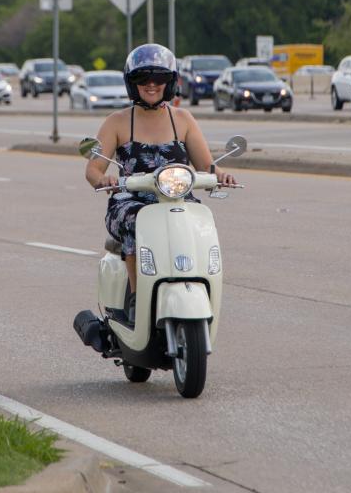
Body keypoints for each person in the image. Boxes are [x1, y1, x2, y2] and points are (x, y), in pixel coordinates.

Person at [84, 44, 237, 314]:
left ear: (170, 83)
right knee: (134, 221)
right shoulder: (117, 121)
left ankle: (197, 281)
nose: (152, 85)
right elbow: (93, 169)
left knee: (201, 220)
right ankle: (136, 298)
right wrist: (103, 179)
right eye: (143, 79)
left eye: (160, 78)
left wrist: (219, 175)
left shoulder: (183, 119)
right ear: (133, 84)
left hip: (178, 199)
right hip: (131, 200)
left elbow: (205, 166)